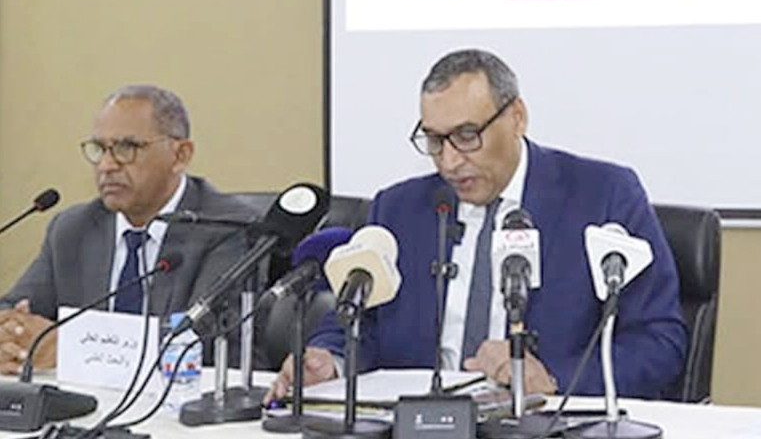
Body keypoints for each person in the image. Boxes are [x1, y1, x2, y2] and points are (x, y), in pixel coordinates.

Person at [271, 49, 687, 400]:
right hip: (416, 436)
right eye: (435, 140)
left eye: (467, 135)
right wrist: (330, 360)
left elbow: (660, 342)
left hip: (543, 438)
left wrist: (553, 378)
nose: (450, 161)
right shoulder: (398, 210)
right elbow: (357, 323)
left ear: (517, 117)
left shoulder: (603, 196)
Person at [0, 85, 256, 374]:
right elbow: (12, 308)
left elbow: (204, 340)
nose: (106, 165)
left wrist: (72, 347)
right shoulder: (72, 229)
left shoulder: (229, 228)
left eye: (127, 148)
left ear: (180, 155)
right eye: (99, 149)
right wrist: (10, 336)